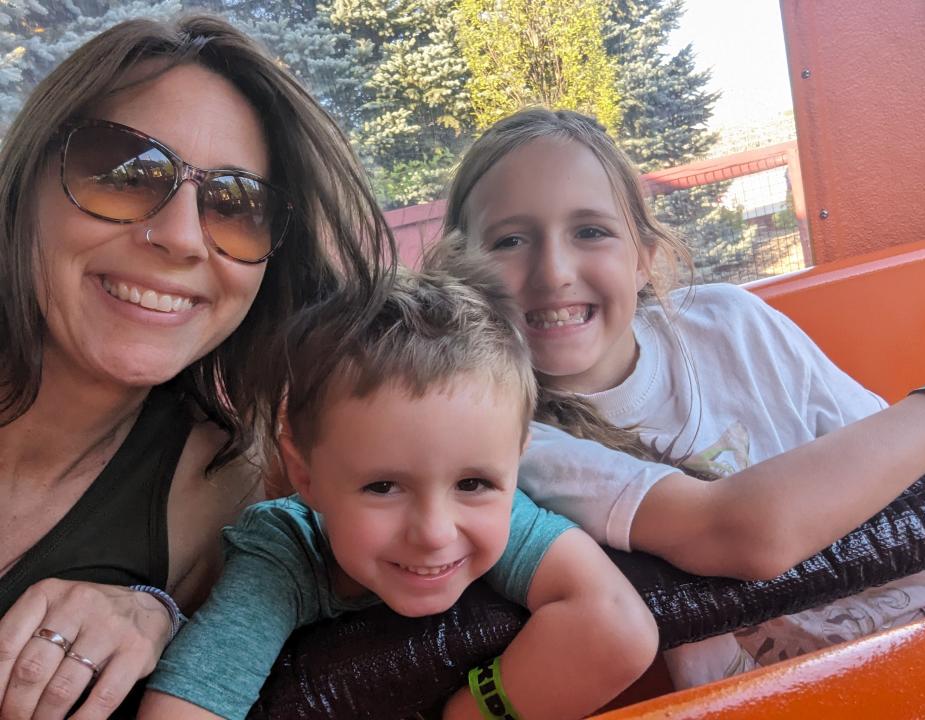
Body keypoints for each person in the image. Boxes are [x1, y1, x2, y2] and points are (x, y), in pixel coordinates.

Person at [440, 107, 925, 688]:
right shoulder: (513, 437)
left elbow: (905, 468)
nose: (555, 271)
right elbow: (744, 535)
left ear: (643, 256)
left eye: (590, 231)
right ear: (461, 275)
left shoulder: (729, 322)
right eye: (510, 240)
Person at [0, 14, 394, 719]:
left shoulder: (225, 487)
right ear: (27, 181)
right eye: (125, 172)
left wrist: (156, 615)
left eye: (236, 205)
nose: (182, 238)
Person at [136, 255, 657, 720]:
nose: (434, 532)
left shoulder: (502, 518)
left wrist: (471, 712)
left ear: (515, 462)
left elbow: (617, 628)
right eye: (383, 487)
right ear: (305, 475)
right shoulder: (284, 556)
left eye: (473, 482)